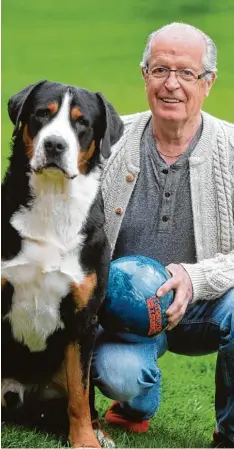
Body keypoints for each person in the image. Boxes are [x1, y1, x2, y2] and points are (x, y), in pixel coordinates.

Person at [91, 22, 234, 448]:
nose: (171, 84)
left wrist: (196, 277)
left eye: (186, 73)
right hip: (125, 313)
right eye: (159, 70)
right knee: (121, 376)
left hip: (208, 306)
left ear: (207, 83)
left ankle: (229, 433)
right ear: (144, 75)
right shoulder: (108, 143)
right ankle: (134, 408)